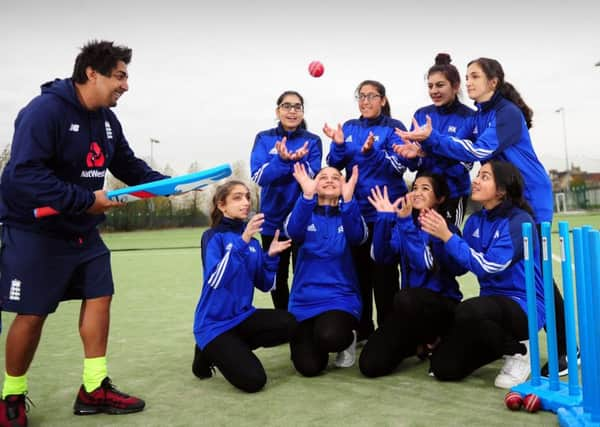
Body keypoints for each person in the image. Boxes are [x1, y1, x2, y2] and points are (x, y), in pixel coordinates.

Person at [0, 40, 168, 425]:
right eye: (120, 76)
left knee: (99, 296)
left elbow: (127, 164)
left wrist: (166, 185)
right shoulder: (44, 111)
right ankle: (11, 395)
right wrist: (84, 199)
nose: (125, 85)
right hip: (35, 230)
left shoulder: (107, 121)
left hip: (82, 230)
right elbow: (24, 174)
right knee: (32, 314)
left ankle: (93, 389)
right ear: (92, 72)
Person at [395, 57, 572, 376]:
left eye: (475, 76)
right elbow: (465, 147)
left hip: (531, 194)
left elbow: (476, 152)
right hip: (508, 193)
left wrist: (431, 139)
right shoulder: (483, 114)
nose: (470, 81)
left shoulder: (506, 113)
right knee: (525, 269)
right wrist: (422, 152)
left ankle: (564, 349)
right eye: (468, 76)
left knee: (539, 270)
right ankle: (521, 338)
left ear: (493, 81)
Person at [421, 161, 545, 388]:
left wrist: (448, 237)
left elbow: (489, 266)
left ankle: (521, 349)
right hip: (489, 307)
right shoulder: (475, 221)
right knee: (443, 367)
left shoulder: (519, 221)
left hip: (522, 305)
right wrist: (439, 240)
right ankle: (501, 346)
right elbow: (460, 266)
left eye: (484, 176)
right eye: (477, 175)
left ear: (502, 189)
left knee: (468, 310)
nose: (476, 180)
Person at [192, 180, 297, 393]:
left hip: (241, 317)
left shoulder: (254, 244)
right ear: (222, 205)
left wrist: (271, 257)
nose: (246, 202)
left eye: (248, 197)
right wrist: (243, 239)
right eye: (238, 197)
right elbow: (215, 279)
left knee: (290, 323)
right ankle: (207, 349)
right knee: (254, 381)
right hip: (213, 324)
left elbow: (265, 284)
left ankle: (229, 348)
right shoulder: (213, 237)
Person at [324, 80, 408, 342]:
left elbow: (399, 166)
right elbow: (335, 165)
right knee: (358, 275)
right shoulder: (349, 127)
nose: (366, 101)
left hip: (386, 214)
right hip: (355, 215)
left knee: (384, 277)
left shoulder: (394, 128)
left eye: (372, 96)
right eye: (361, 96)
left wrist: (373, 153)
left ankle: (388, 332)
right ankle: (362, 330)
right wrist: (338, 145)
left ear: (383, 100)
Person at [359, 172, 465, 378]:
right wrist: (383, 218)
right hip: (410, 310)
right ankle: (422, 343)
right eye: (414, 188)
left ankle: (439, 337)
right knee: (370, 365)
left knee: (405, 298)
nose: (416, 192)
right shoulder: (406, 225)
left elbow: (425, 264)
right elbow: (381, 257)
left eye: (425, 189)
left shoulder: (446, 229)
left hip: (441, 308)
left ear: (440, 198)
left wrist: (406, 223)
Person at [283, 163, 367, 375]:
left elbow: (357, 237)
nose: (329, 180)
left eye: (336, 177)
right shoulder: (302, 211)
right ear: (313, 184)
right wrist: (306, 197)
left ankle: (347, 339)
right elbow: (293, 231)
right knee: (309, 367)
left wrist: (348, 201)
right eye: (323, 177)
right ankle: (315, 337)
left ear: (344, 185)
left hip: (340, 298)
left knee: (330, 336)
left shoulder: (350, 213)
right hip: (304, 301)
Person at [250, 91, 323, 310]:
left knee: (304, 276)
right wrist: (283, 160)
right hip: (271, 222)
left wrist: (293, 160)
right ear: (277, 111)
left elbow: (312, 177)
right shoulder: (264, 138)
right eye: (286, 106)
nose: (292, 111)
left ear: (302, 111)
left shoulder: (313, 140)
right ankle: (285, 322)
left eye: (297, 106)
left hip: (303, 221)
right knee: (277, 280)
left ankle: (304, 320)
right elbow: (259, 176)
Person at [407, 53, 476, 227]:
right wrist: (413, 156)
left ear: (455, 86)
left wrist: (431, 153)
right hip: (423, 195)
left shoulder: (469, 117)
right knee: (419, 242)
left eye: (440, 85)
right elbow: (413, 164)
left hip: (453, 193)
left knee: (447, 243)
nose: (434, 91)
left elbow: (466, 162)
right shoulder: (421, 114)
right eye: (430, 86)